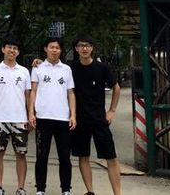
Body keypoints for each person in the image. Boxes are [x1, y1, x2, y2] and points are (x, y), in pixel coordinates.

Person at [70, 35, 122, 195]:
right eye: (81, 45)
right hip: (80, 119)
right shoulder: (71, 68)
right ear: (76, 49)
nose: (84, 48)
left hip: (99, 119)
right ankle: (90, 191)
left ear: (92, 48)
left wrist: (112, 111)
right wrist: (38, 62)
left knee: (111, 157)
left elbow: (116, 87)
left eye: (87, 45)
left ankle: (117, 193)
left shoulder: (102, 68)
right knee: (83, 156)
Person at [0, 36, 32, 195]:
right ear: (3, 49)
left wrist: (30, 115)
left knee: (21, 154)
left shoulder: (24, 71)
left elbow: (28, 96)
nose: (12, 50)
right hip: (0, 119)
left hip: (20, 119)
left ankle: (21, 188)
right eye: (9, 47)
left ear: (18, 52)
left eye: (15, 48)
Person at [29, 37, 75, 195]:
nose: (54, 50)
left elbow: (70, 92)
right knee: (42, 156)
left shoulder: (66, 69)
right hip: (43, 118)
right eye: (51, 47)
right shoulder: (38, 67)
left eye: (57, 48)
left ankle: (66, 189)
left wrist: (73, 115)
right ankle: (40, 189)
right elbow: (33, 91)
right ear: (45, 49)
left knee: (65, 156)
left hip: (63, 118)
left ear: (60, 50)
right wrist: (31, 113)